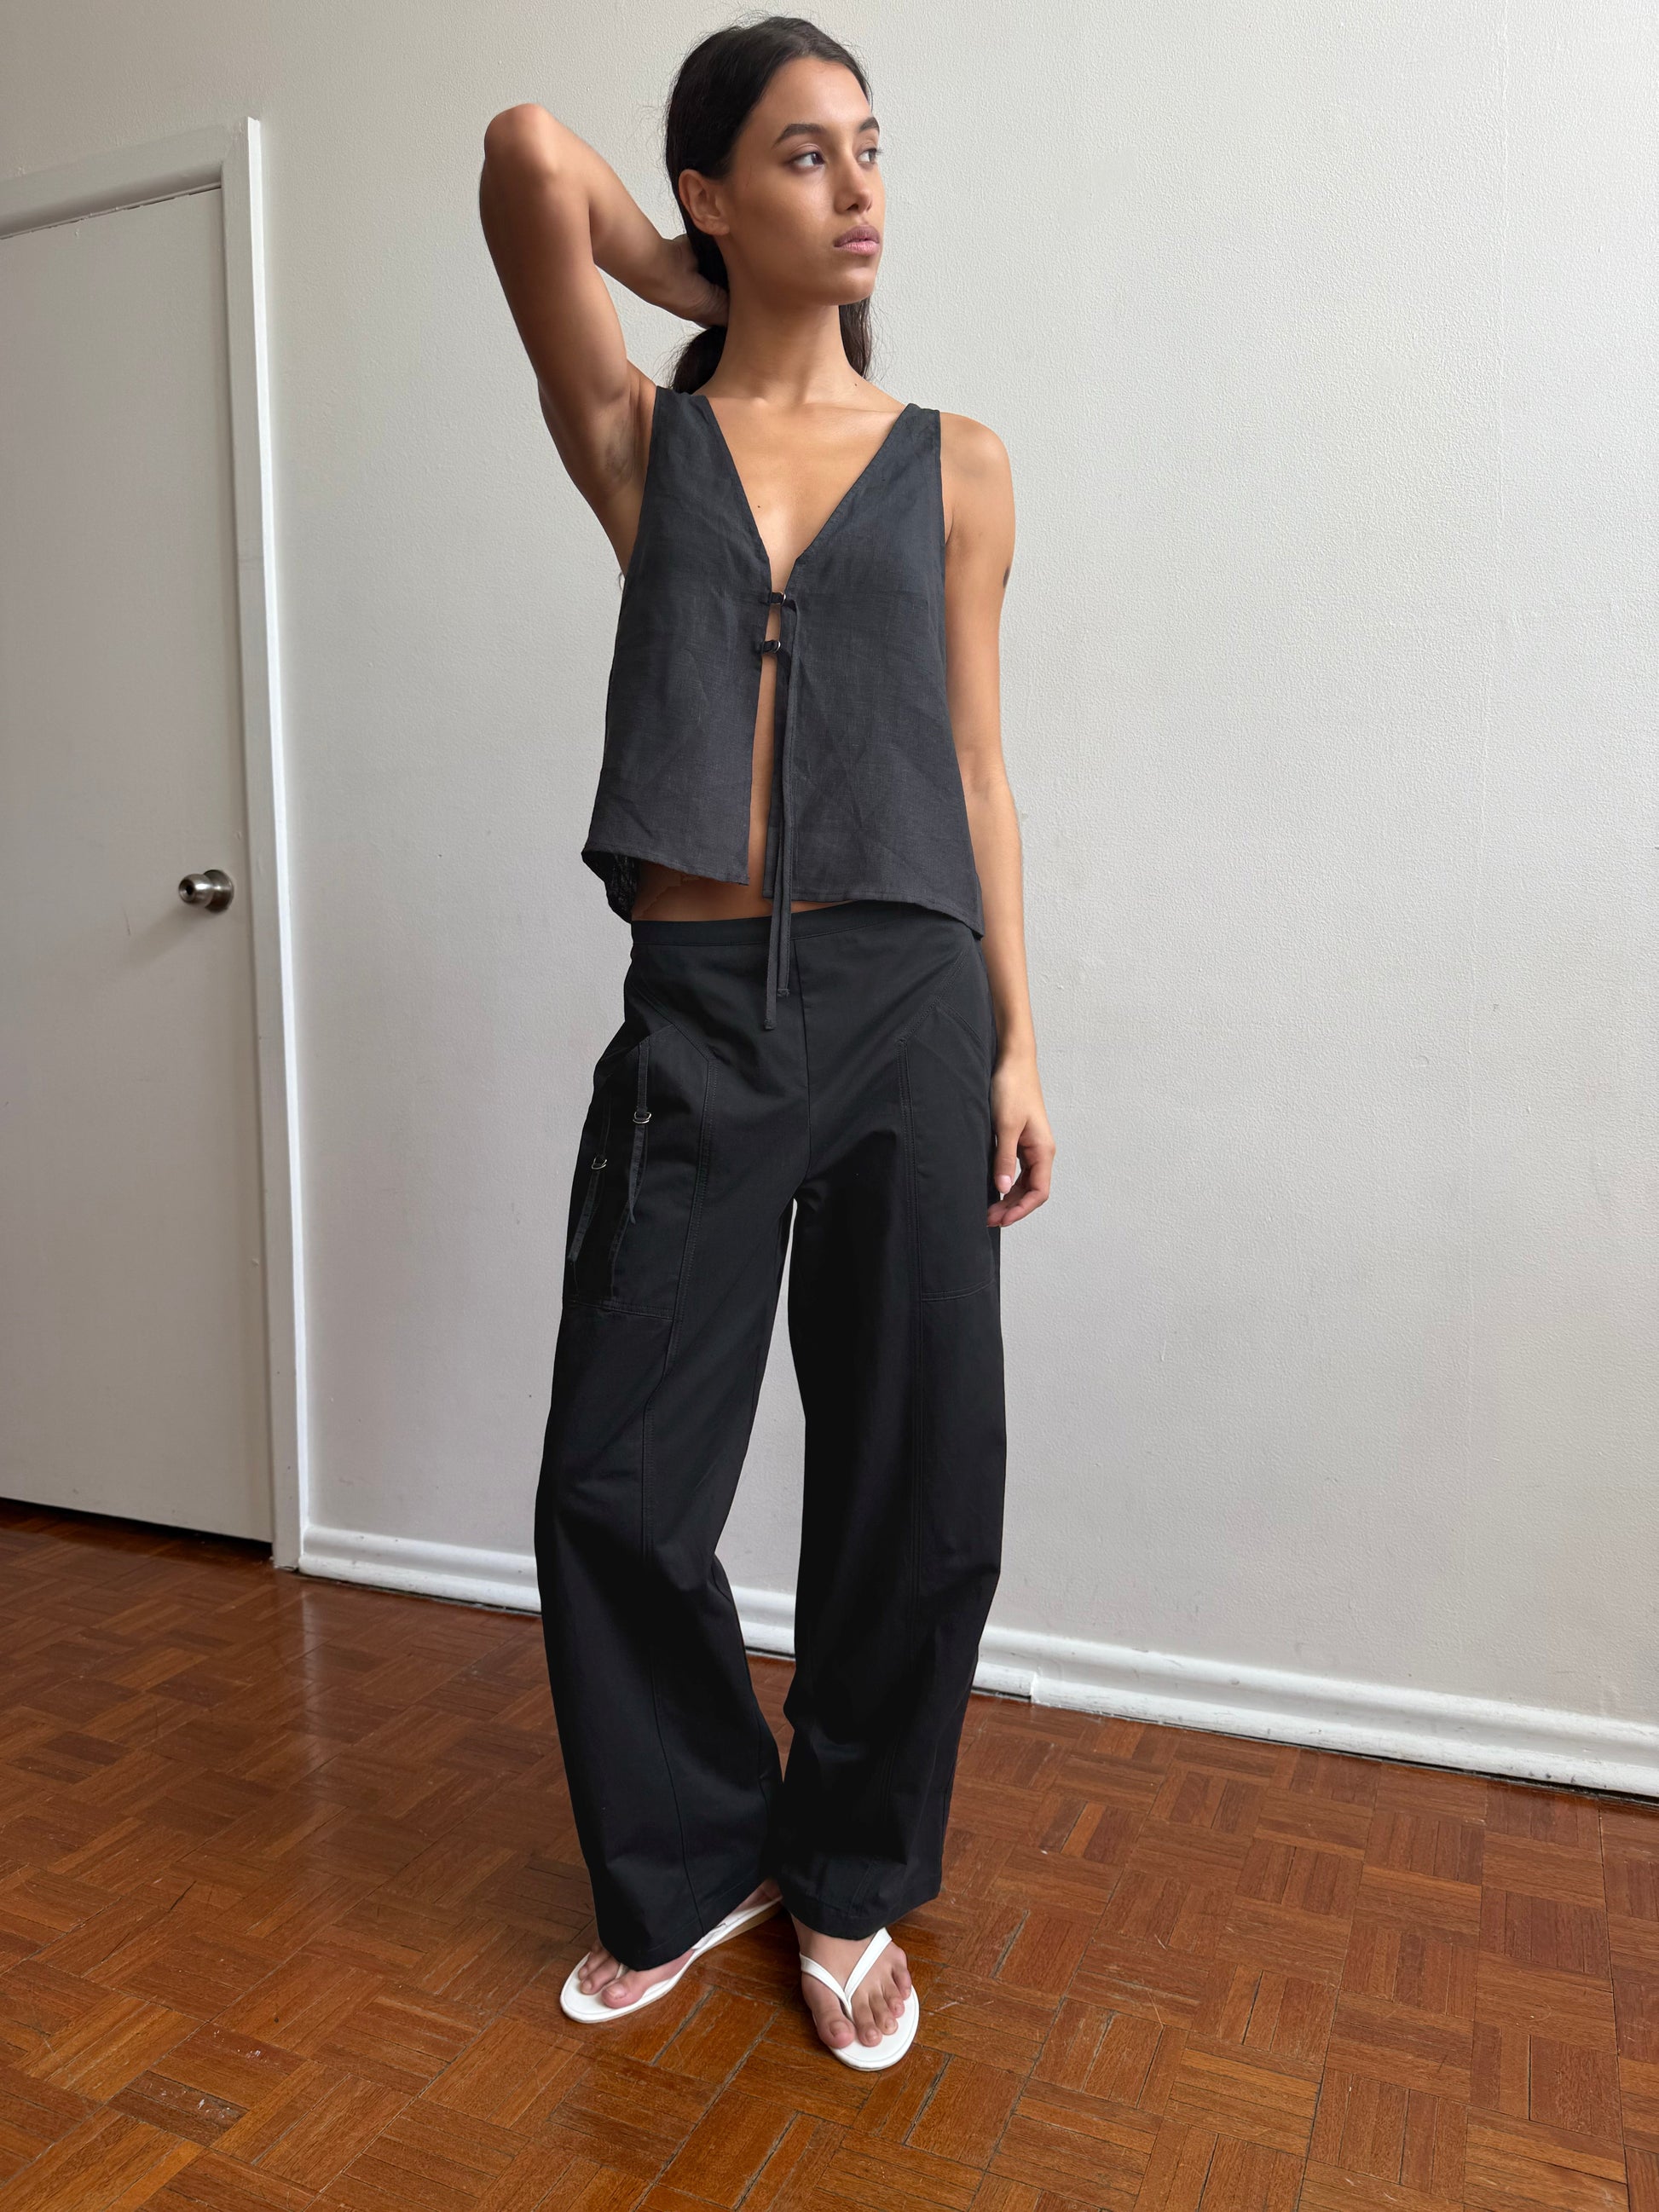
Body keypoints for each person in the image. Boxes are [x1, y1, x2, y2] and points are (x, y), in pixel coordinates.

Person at [478, 14, 1054, 2070]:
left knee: (921, 1475)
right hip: (702, 1006)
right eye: (803, 155)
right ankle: (697, 1849)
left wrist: (1015, 1038)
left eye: (872, 149)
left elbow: (978, 767)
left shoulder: (960, 462)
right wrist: (692, 281)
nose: (860, 186)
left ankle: (850, 1875)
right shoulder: (644, 444)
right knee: (615, 1474)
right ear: (717, 198)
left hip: (908, 998)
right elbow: (531, 153)